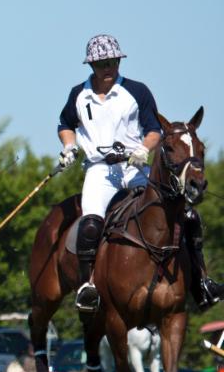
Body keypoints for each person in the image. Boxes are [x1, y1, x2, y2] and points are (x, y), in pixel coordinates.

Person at [56, 34, 220, 312]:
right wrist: (69, 146)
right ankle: (87, 286)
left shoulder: (137, 91)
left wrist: (144, 149)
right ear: (91, 65)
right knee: (91, 223)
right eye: (102, 64)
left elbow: (155, 129)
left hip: (135, 166)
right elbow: (65, 124)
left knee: (187, 215)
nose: (108, 68)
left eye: (113, 62)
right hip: (99, 170)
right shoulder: (78, 94)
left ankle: (202, 282)